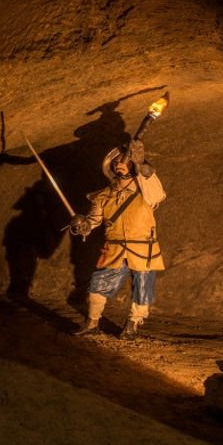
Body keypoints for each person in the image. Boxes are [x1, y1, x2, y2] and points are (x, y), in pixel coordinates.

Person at [68, 139, 166, 338]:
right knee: (98, 285)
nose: (118, 164)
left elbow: (156, 194)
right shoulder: (103, 196)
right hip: (113, 249)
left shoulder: (145, 189)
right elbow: (92, 223)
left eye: (123, 160)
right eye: (115, 162)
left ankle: (133, 325)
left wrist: (141, 164)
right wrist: (82, 225)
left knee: (143, 288)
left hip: (143, 249)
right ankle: (92, 322)